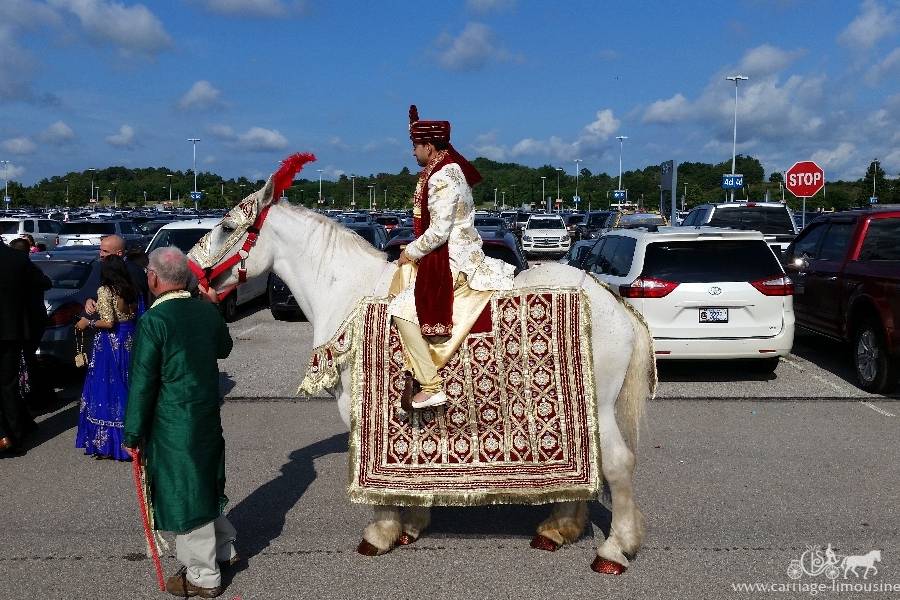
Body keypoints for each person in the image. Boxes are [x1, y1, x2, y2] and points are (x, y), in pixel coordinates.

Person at [123, 247, 237, 598]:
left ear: (154, 278)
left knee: (186, 493)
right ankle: (224, 548)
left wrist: (132, 432)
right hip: (203, 413)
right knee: (204, 480)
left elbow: (143, 382)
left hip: (174, 420)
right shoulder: (204, 311)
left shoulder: (154, 321)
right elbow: (224, 347)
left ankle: (203, 575)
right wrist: (212, 305)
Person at [387, 105, 514, 409]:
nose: (413, 153)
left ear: (428, 147)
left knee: (401, 310)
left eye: (415, 147)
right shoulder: (450, 167)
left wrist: (409, 252)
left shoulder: (442, 176)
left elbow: (439, 231)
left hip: (454, 260)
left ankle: (431, 386)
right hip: (459, 250)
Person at [74, 255, 138, 460]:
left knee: (107, 390)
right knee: (128, 384)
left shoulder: (105, 290)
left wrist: (87, 322)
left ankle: (110, 444)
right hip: (129, 338)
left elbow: (108, 322)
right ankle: (132, 437)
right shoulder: (130, 289)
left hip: (110, 344)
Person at [0, 238, 52, 454]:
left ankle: (7, 435)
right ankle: (13, 435)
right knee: (7, 385)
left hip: (11, 329)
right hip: (10, 330)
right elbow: (43, 283)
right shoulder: (18, 260)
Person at [85, 235, 149, 316]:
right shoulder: (99, 267)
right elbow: (92, 290)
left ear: (119, 253)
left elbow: (138, 300)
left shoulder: (133, 271)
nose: (101, 254)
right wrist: (89, 300)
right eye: (100, 250)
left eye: (105, 251)